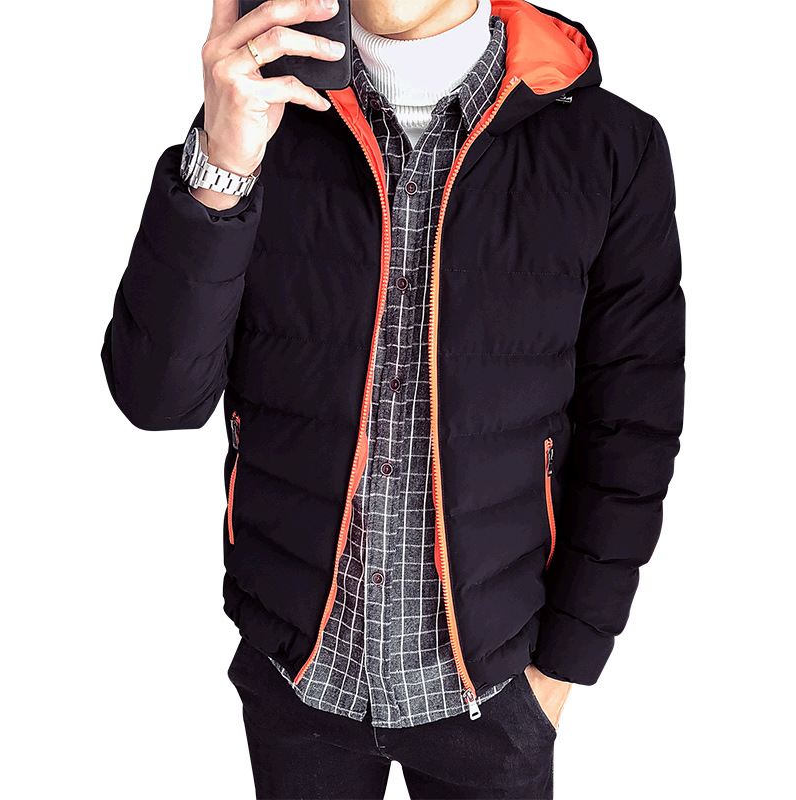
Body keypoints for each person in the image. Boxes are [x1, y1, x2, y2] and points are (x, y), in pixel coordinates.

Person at [100, 0, 685, 797]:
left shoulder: (612, 147)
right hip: (296, 673)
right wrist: (222, 163)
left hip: (494, 686)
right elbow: (158, 398)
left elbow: (632, 429)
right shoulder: (259, 118)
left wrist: (564, 666)